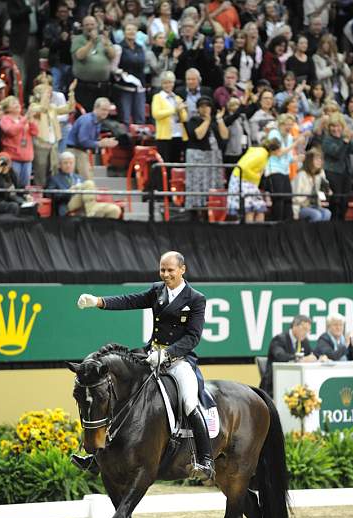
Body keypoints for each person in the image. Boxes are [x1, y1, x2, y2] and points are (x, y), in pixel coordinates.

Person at [73, 250, 215, 483]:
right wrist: (98, 302)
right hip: (150, 353)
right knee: (116, 393)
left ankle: (206, 460)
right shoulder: (156, 290)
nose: (165, 274)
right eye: (162, 270)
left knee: (190, 401)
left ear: (182, 270)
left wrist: (167, 354)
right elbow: (130, 300)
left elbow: (193, 337)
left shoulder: (195, 299)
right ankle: (95, 455)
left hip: (178, 360)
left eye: (170, 270)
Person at [185, 95, 228, 219]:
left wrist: (219, 120)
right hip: (197, 157)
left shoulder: (216, 120)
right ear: (198, 108)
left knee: (213, 183)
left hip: (214, 157)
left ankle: (213, 209)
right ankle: (196, 211)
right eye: (202, 106)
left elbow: (225, 136)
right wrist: (207, 121)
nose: (205, 109)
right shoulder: (193, 120)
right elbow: (198, 135)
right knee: (197, 184)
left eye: (207, 106)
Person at [260, 314, 318, 397]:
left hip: (295, 383)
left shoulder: (303, 341)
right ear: (295, 326)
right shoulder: (279, 339)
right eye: (304, 329)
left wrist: (316, 357)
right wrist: (299, 358)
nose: (306, 333)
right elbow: (280, 356)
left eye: (308, 331)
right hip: (274, 385)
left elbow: (310, 354)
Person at [66, 96, 122, 179]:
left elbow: (90, 140)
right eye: (103, 109)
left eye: (107, 110)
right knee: (87, 181)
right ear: (95, 108)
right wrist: (100, 143)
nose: (106, 113)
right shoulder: (87, 121)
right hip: (75, 151)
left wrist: (103, 141)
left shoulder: (98, 121)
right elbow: (83, 141)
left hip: (81, 151)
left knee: (87, 181)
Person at [227, 137, 281, 222]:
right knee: (250, 210)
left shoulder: (261, 152)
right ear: (275, 150)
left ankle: (258, 232)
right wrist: (256, 176)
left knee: (259, 209)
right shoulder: (261, 155)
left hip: (247, 182)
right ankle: (250, 232)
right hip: (242, 181)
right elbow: (243, 167)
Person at [71, 15, 116, 111]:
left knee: (101, 115)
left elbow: (112, 55)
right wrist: (92, 41)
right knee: (85, 114)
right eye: (86, 25)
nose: (90, 27)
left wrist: (107, 44)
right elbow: (80, 55)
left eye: (92, 24)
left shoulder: (103, 39)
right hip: (84, 86)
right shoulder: (77, 39)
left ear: (96, 26)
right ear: (82, 27)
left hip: (102, 86)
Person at [0, 152, 36, 216]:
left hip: (12, 199)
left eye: (6, 163)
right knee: (13, 206)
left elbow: (20, 187)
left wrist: (26, 195)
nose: (4, 166)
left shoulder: (12, 173)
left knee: (31, 206)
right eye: (2, 164)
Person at [151, 70, 188, 165]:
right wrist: (174, 109)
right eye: (165, 83)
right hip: (164, 137)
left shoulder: (178, 98)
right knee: (165, 164)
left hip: (178, 134)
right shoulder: (157, 97)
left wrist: (182, 110)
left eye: (170, 82)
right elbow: (156, 114)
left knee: (177, 163)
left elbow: (184, 118)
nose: (168, 85)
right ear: (162, 84)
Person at [291, 149, 332, 221]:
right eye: (316, 159)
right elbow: (295, 198)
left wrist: (327, 193)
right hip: (301, 206)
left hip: (315, 205)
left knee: (327, 213)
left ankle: (320, 232)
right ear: (309, 161)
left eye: (321, 159)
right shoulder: (301, 175)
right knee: (317, 215)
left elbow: (321, 191)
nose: (319, 161)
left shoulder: (321, 173)